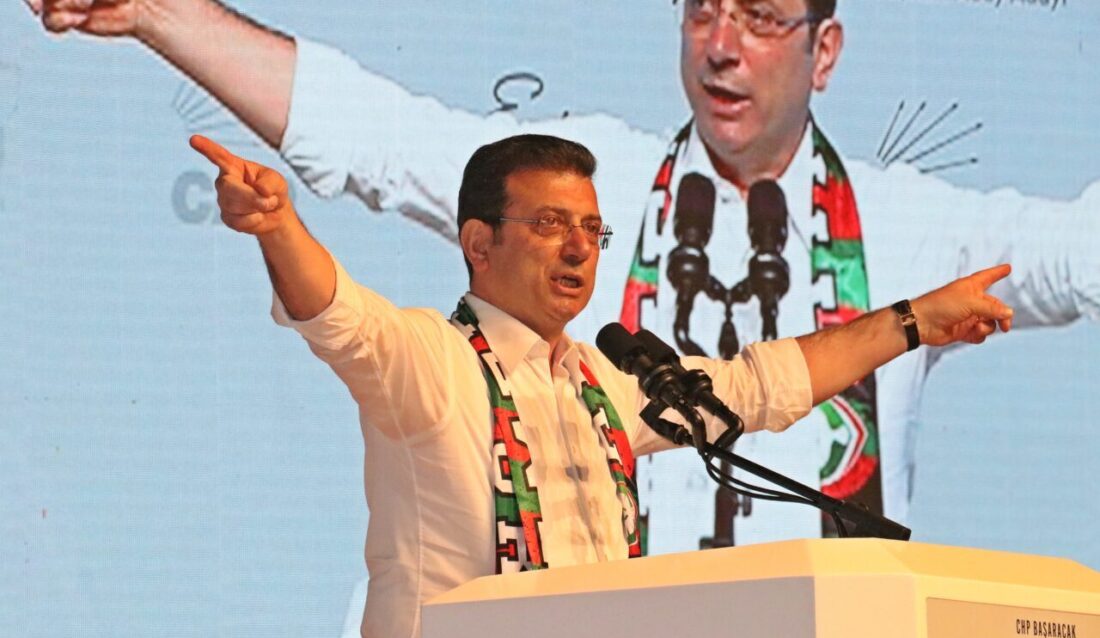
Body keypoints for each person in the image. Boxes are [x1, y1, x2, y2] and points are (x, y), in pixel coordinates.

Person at [28, 0, 1100, 548]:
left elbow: (1074, 256)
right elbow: (376, 136)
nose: (720, 46)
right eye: (700, 10)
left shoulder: (918, 226)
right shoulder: (583, 180)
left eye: (763, 18)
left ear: (824, 51)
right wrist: (164, 12)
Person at [190, 129, 1012, 638]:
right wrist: (278, 227)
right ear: (478, 243)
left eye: (591, 228)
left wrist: (915, 321)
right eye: (549, 224)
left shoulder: (605, 386)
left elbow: (759, 386)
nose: (579, 249)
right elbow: (338, 315)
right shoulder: (429, 360)